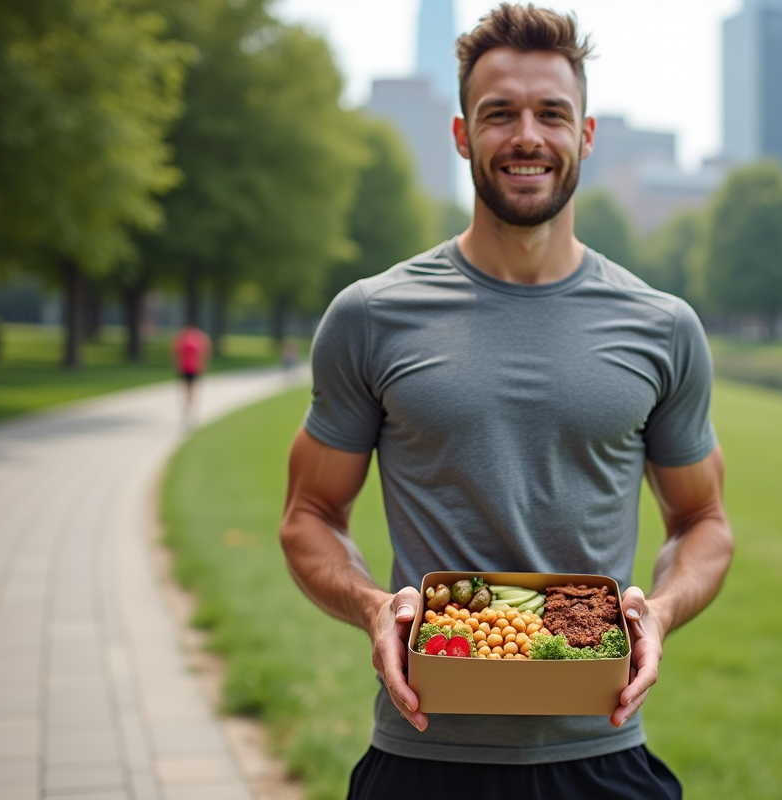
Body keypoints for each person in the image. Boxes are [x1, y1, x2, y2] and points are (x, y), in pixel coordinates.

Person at [279, 5, 734, 798]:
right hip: (423, 759)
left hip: (603, 759)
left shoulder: (663, 328)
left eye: (552, 113)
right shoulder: (370, 316)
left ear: (585, 136)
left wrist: (658, 611)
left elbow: (704, 523)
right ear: (462, 135)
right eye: (500, 114)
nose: (528, 136)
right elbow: (309, 514)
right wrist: (372, 607)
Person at [171, 321, 210, 426]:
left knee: (191, 390)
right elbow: (176, 352)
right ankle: (188, 412)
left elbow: (205, 353)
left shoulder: (197, 337)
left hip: (194, 367)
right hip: (185, 367)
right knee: (187, 391)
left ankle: (190, 412)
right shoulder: (183, 337)